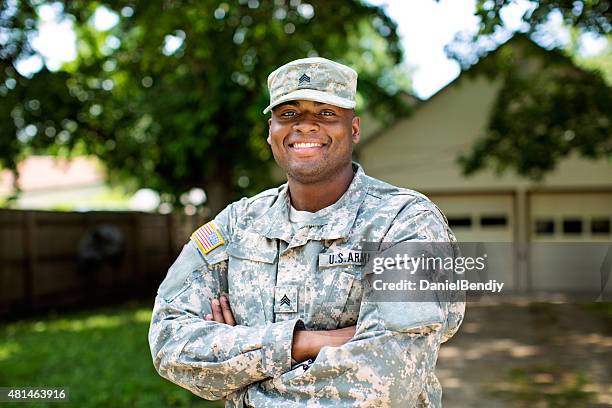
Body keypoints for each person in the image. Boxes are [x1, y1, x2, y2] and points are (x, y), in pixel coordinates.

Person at [148, 57, 465, 407]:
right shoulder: (237, 224)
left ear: (354, 129)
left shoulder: (405, 221)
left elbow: (389, 374)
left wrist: (241, 372)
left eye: (326, 113)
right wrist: (303, 342)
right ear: (271, 131)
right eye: (289, 114)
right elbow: (169, 342)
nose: (305, 126)